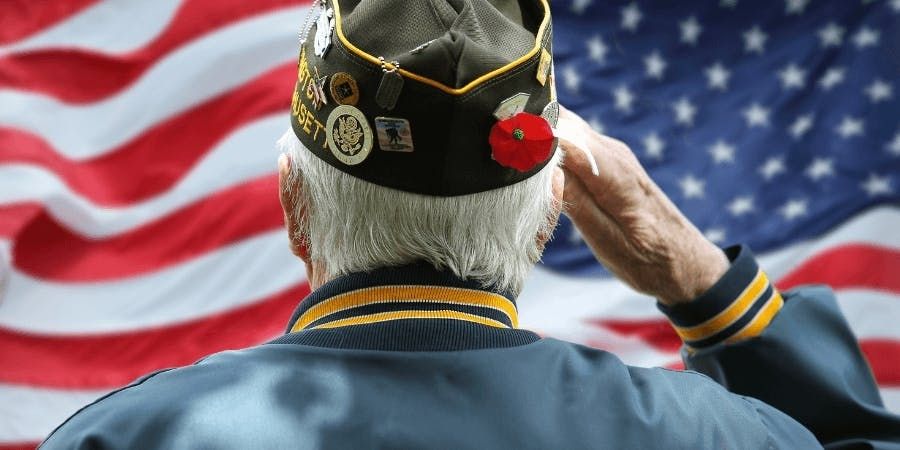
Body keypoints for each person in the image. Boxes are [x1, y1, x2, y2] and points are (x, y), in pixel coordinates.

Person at [41, 0, 900, 448]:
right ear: (544, 221)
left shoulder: (127, 440)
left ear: (294, 208)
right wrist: (707, 287)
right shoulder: (717, 438)